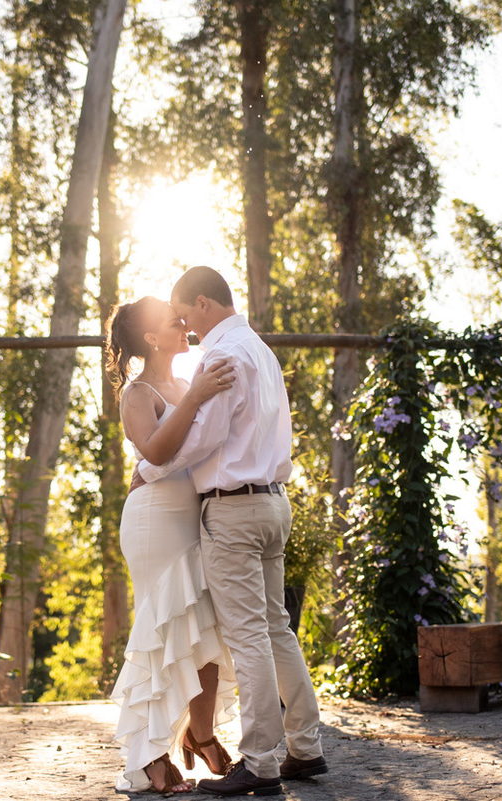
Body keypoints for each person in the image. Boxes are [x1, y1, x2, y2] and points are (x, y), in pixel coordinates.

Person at [135, 266, 327, 797]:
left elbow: (205, 438)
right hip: (272, 503)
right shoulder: (260, 349)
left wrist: (149, 468)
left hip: (234, 510)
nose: (186, 329)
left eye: (185, 316)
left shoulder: (221, 354)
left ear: (202, 303)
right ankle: (305, 749)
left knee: (248, 637)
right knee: (275, 628)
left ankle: (261, 763)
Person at [106, 295, 240, 794]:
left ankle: (200, 734)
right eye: (173, 320)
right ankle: (147, 757)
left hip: (194, 517)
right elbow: (157, 449)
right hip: (153, 522)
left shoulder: (185, 384)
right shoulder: (137, 394)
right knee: (163, 632)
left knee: (204, 631)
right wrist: (196, 395)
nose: (184, 324)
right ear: (150, 338)